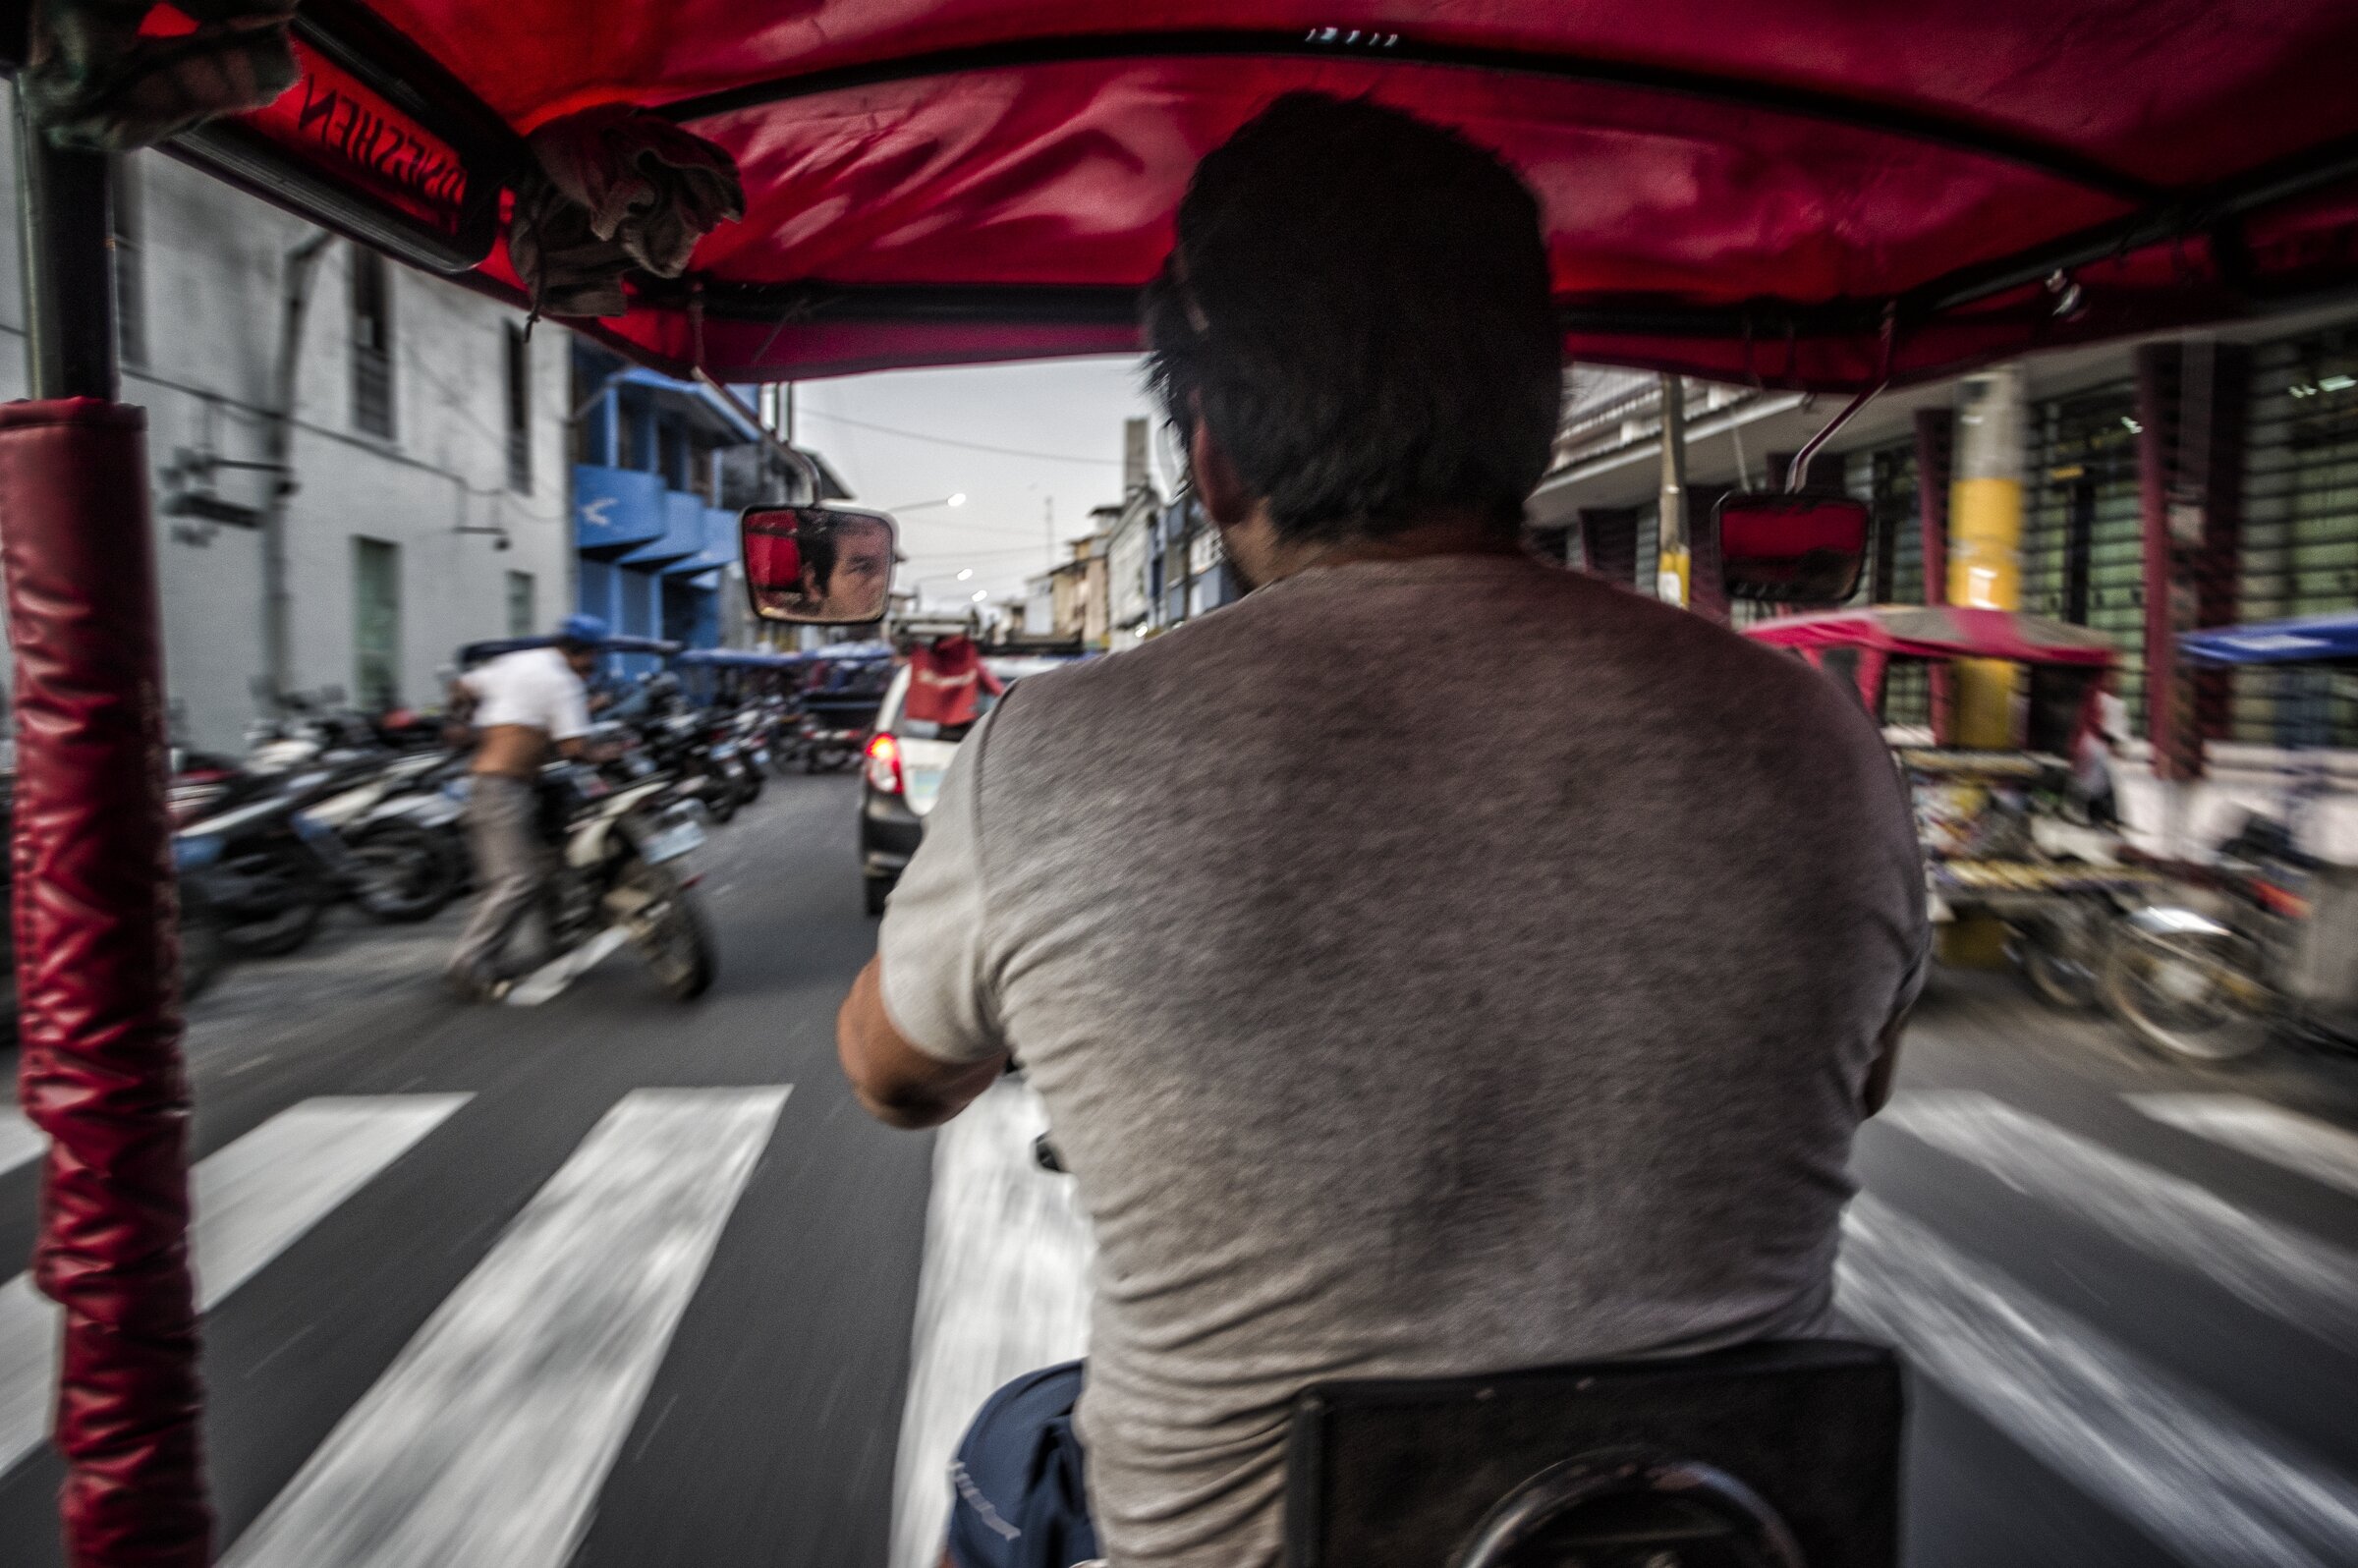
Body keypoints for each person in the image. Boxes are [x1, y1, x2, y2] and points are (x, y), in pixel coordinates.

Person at [834, 93, 1926, 1568]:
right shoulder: (1818, 742)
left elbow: (893, 1078)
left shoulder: (1058, 751)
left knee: (1007, 1452)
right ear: (1528, 419)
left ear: (1214, 459)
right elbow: (1855, 1083)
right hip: (1721, 1535)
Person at [443, 613, 602, 1000]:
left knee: (508, 877)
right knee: (517, 880)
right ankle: (468, 965)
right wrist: (604, 752)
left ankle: (543, 941)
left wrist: (466, 722)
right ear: (578, 651)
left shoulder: (517, 661)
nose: (592, 668)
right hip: (504, 788)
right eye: (591, 659)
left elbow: (462, 687)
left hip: (490, 784)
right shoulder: (561, 681)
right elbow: (574, 748)